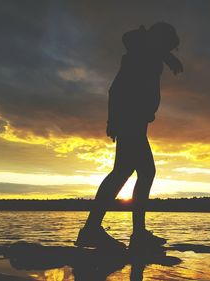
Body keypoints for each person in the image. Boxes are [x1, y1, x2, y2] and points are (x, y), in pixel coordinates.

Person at [75, 22, 183, 251]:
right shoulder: (139, 54)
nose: (169, 51)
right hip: (129, 121)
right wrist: (113, 120)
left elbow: (149, 49)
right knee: (134, 172)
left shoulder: (149, 54)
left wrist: (166, 57)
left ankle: (125, 232)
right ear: (159, 40)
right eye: (168, 46)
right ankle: (97, 230)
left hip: (135, 122)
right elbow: (116, 89)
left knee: (131, 172)